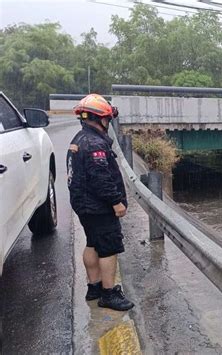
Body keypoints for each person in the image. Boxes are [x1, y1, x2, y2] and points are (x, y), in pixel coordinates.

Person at [67, 94, 134, 311]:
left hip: (84, 206)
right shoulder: (95, 143)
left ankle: (93, 288)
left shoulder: (78, 139)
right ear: (100, 119)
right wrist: (116, 202)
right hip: (99, 207)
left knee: (93, 243)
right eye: (107, 119)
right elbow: (100, 178)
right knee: (108, 248)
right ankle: (108, 293)